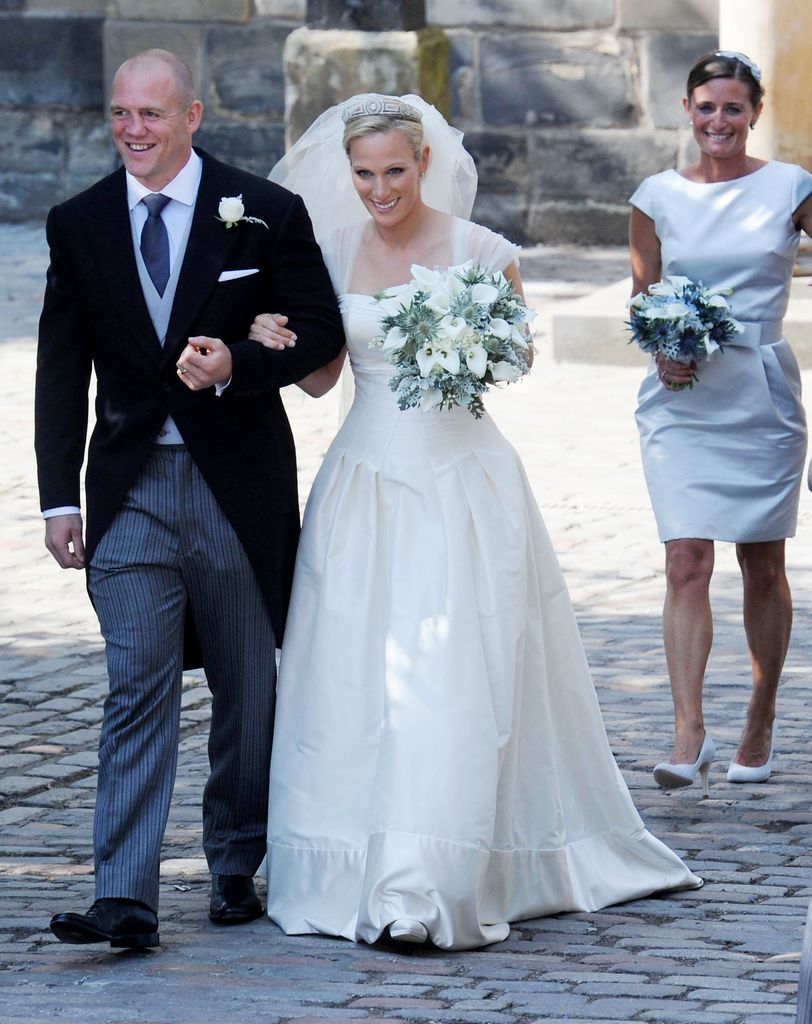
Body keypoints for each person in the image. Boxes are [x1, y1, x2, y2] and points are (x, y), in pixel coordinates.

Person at [253, 93, 701, 951]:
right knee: (354, 680)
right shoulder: (330, 248)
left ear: (424, 164)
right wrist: (274, 333)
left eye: (394, 170)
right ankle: (345, 862)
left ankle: (433, 875)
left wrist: (473, 338)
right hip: (363, 487)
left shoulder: (483, 252)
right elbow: (320, 380)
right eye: (363, 173)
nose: (379, 189)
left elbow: (515, 358)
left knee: (456, 675)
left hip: (462, 484)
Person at [34, 48, 344, 949]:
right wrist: (61, 499)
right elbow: (61, 369)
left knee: (250, 687)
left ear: (193, 116)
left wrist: (241, 363)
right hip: (129, 491)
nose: (133, 129)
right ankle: (124, 895)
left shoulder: (265, 212)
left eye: (152, 115)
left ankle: (236, 863)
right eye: (121, 113)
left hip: (235, 491)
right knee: (137, 680)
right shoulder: (79, 221)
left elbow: (321, 332)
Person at [630, 52, 812, 794]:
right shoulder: (655, 195)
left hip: (761, 393)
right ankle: (687, 730)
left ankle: (761, 717)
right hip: (682, 400)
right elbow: (641, 297)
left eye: (733, 109)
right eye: (706, 108)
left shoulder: (791, 185)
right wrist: (661, 349)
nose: (718, 122)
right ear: (687, 108)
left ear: (754, 114)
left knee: (761, 563)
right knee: (685, 560)